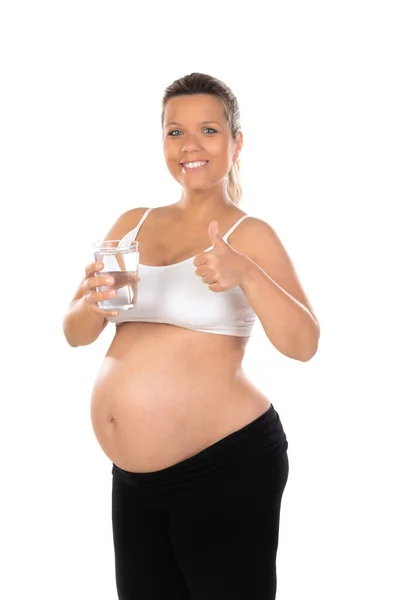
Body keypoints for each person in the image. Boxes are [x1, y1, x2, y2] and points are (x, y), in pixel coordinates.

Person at [63, 72, 320, 600]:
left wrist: (246, 273)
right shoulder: (133, 222)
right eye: (174, 132)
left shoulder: (249, 234)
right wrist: (92, 299)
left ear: (236, 142)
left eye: (208, 129)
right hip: (134, 482)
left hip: (226, 468)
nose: (190, 146)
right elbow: (74, 332)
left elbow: (304, 344)